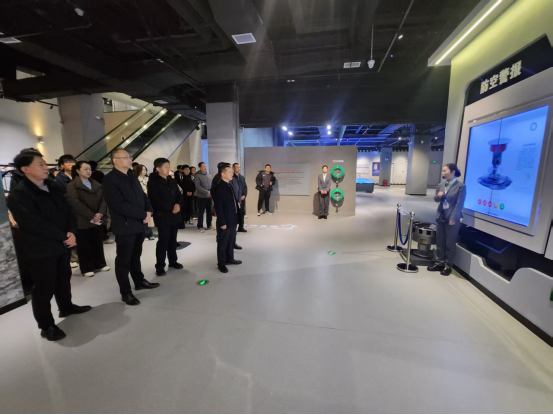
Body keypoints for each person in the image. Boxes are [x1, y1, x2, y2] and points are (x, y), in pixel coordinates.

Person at [7, 151, 91, 342]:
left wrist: (72, 232)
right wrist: (63, 236)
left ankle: (66, 307)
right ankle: (46, 325)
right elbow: (32, 224)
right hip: (41, 249)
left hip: (62, 243)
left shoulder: (52, 186)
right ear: (25, 169)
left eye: (45, 163)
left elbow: (68, 211)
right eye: (40, 164)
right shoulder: (19, 194)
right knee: (44, 288)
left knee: (63, 279)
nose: (46, 167)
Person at [103, 149, 160, 306]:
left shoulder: (131, 176)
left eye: (130, 157)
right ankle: (126, 292)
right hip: (125, 226)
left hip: (138, 225)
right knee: (123, 260)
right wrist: (142, 214)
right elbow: (118, 205)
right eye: (126, 157)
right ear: (115, 160)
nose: (130, 159)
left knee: (135, 256)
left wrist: (149, 211)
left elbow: (143, 196)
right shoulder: (110, 180)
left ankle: (139, 281)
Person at [66, 161, 110, 278]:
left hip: (97, 218)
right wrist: (91, 216)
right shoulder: (72, 185)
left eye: (89, 169)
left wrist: (99, 213)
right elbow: (75, 203)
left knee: (97, 242)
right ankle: (87, 268)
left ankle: (100, 263)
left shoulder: (95, 184)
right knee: (84, 245)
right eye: (85, 169)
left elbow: (103, 200)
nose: (88, 171)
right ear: (77, 170)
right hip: (83, 219)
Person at [428, 163, 467, 276]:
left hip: (452, 218)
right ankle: (439, 262)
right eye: (442, 171)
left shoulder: (460, 186)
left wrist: (453, 218)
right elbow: (436, 199)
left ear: (453, 172)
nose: (443, 173)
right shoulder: (441, 185)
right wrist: (439, 196)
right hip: (441, 216)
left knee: (450, 243)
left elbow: (459, 204)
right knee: (439, 242)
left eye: (445, 171)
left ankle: (448, 265)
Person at [147, 158, 184, 277]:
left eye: (169, 166)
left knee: (173, 240)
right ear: (158, 168)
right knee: (163, 241)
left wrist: (178, 205)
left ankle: (173, 261)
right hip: (162, 216)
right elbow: (155, 200)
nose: (168, 169)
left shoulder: (171, 180)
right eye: (166, 167)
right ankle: (160, 266)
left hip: (174, 215)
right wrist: (171, 208)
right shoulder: (153, 182)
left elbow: (179, 195)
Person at [212, 163, 242, 273]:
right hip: (225, 220)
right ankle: (221, 263)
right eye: (229, 172)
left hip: (232, 218)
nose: (232, 173)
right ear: (223, 174)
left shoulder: (228, 184)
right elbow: (219, 207)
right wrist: (222, 222)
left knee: (230, 241)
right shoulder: (219, 187)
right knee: (223, 243)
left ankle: (230, 258)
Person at [134, 164, 157, 241]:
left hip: (149, 199)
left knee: (149, 217)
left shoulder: (148, 179)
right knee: (143, 217)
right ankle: (144, 234)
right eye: (142, 169)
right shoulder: (136, 179)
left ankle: (149, 233)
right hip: (140, 200)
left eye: (145, 169)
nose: (144, 171)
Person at [194, 162, 215, 233]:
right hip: (201, 197)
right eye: (203, 166)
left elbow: (212, 185)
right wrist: (206, 192)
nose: (205, 168)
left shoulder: (209, 175)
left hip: (209, 197)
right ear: (200, 168)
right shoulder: (197, 176)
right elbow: (198, 187)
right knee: (201, 212)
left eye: (205, 166)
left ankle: (209, 225)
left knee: (209, 211)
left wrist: (211, 191)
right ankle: (200, 226)